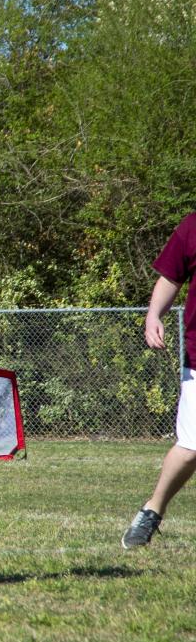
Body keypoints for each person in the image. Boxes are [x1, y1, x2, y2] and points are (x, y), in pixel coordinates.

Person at [122, 212, 196, 548]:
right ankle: (152, 510)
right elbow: (171, 277)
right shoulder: (193, 225)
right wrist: (154, 315)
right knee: (191, 450)